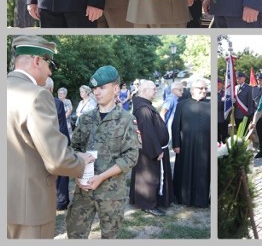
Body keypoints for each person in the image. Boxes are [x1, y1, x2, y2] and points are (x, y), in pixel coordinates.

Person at [7, 36, 91, 238]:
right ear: (37, 60)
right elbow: (57, 160)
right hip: (29, 208)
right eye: (49, 64)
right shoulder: (38, 95)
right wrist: (81, 162)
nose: (50, 71)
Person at [66, 66, 139, 239]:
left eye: (102, 88)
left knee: (110, 236)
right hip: (83, 190)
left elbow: (130, 156)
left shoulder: (127, 120)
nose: (96, 92)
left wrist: (101, 177)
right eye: (94, 89)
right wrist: (77, 175)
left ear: (115, 89)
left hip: (111, 193)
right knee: (75, 234)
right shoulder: (86, 119)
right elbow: (72, 149)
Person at [130, 80, 173, 216]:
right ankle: (149, 204)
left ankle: (149, 200)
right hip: (150, 149)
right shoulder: (143, 109)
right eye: (154, 89)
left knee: (147, 176)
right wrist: (156, 151)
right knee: (150, 177)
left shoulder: (144, 105)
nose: (156, 91)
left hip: (150, 147)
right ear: (145, 90)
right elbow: (147, 131)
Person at [172, 79, 211, 207]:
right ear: (193, 90)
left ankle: (200, 199)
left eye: (205, 88)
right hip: (186, 145)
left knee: (202, 172)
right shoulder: (182, 105)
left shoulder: (210, 104)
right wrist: (176, 144)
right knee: (185, 170)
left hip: (205, 146)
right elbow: (175, 126)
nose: (204, 91)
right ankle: (183, 198)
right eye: (201, 88)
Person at [45, 77, 72, 211]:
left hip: (38, 146)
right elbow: (62, 127)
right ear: (51, 89)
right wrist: (67, 144)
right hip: (56, 144)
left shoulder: (29, 101)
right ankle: (61, 202)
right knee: (62, 172)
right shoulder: (57, 103)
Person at [217, 78, 229, 143]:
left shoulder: (225, 93)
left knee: (224, 136)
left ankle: (225, 151)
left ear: (221, 84)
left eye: (218, 84)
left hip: (223, 118)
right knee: (216, 137)